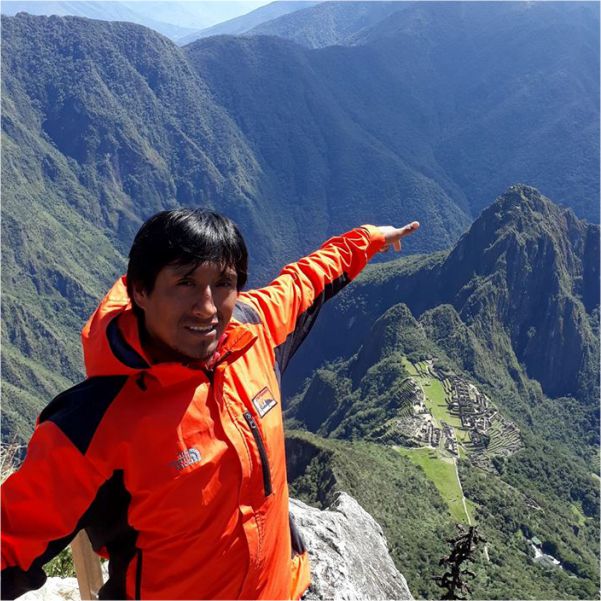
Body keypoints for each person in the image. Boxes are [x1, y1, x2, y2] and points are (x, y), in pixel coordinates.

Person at [1, 209, 420, 600]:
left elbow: (306, 280)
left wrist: (369, 239)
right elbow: (11, 539)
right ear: (139, 291)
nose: (207, 307)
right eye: (185, 283)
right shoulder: (95, 424)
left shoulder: (252, 332)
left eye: (223, 284)